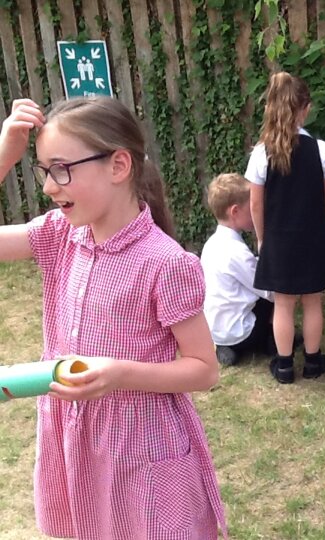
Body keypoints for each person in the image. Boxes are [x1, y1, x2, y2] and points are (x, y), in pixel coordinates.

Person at [0, 97, 227, 538]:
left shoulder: (166, 263)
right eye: (44, 170)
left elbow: (204, 370)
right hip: (76, 442)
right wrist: (5, 155)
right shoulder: (59, 235)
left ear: (119, 165)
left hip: (141, 447)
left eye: (61, 169)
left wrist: (118, 374)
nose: (48, 187)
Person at [246, 72, 325, 384]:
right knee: (313, 300)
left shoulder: (261, 153)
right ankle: (314, 363)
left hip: (278, 240)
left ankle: (284, 366)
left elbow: (255, 204)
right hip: (314, 237)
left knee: (283, 303)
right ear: (306, 109)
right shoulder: (322, 150)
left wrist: (261, 238)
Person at [201, 172, 275, 366]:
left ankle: (225, 345)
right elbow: (267, 290)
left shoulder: (212, 244)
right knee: (277, 288)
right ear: (235, 211)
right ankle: (272, 340)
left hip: (214, 328)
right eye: (251, 207)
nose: (256, 211)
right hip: (242, 331)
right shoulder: (236, 251)